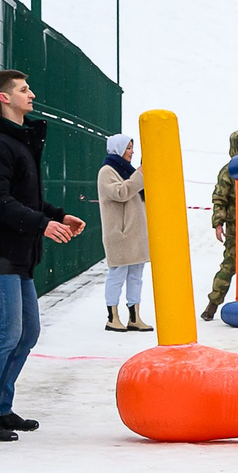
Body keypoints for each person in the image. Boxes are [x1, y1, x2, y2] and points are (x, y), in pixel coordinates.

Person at [0, 70, 84, 441]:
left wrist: (57, 214)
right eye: (23, 90)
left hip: (18, 254)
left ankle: (0, 408)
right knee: (5, 333)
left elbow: (25, 198)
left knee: (27, 332)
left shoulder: (19, 142)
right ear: (4, 98)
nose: (31, 95)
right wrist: (42, 225)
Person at [97, 133, 150, 332]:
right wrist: (140, 175)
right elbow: (121, 193)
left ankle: (134, 317)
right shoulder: (107, 171)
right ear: (118, 149)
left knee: (136, 275)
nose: (132, 152)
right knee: (117, 274)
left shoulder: (127, 170)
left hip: (136, 233)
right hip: (119, 233)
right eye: (128, 148)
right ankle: (113, 317)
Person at [200, 128, 238, 317]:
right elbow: (219, 198)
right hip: (236, 228)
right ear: (234, 146)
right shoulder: (229, 171)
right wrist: (218, 223)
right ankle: (213, 304)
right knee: (230, 265)